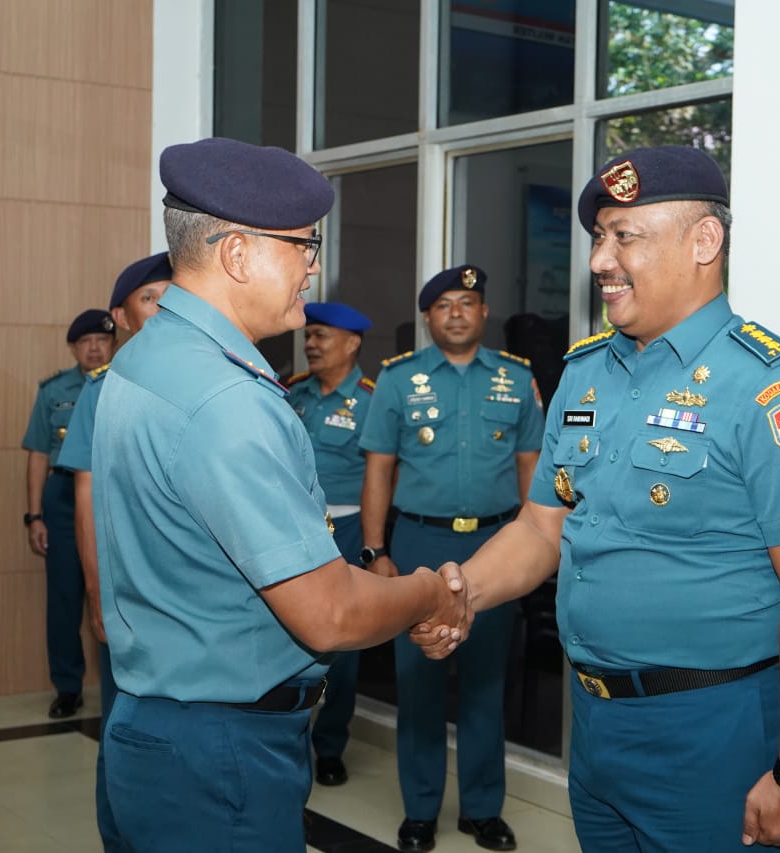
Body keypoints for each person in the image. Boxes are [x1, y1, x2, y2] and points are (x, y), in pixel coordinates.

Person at [410, 146, 780, 852]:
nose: (599, 261)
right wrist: (462, 593)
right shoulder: (584, 373)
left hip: (714, 729)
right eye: (597, 237)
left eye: (624, 237)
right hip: (594, 725)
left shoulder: (771, 388)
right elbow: (541, 527)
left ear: (704, 241)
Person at [90, 137, 469, 852]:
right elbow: (327, 613)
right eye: (303, 245)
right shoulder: (225, 397)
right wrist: (428, 594)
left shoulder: (147, 356)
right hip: (221, 753)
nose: (313, 266)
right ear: (238, 254)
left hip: (154, 728)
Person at [358, 265, 544, 852]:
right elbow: (379, 470)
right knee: (420, 681)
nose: (456, 313)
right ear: (427, 318)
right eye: (444, 305)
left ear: (484, 312)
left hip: (496, 544)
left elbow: (531, 470)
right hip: (420, 545)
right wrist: (376, 551)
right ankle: (420, 810)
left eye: (467, 302)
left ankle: (483, 810)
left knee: (487, 681)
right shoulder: (397, 379)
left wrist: (535, 545)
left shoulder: (517, 379)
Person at [56, 252, 173, 853]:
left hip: (192, 589)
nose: (165, 308)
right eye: (150, 299)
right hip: (130, 587)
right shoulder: (103, 392)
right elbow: (86, 498)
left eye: (172, 296)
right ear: (120, 317)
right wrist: (97, 594)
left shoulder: (212, 379)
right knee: (126, 723)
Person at [284, 301, 375, 787]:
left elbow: (383, 475)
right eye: (308, 336)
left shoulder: (371, 400)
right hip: (292, 527)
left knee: (343, 645)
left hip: (347, 529)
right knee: (291, 636)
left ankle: (331, 744)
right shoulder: (292, 391)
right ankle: (289, 740)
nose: (311, 345)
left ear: (352, 343)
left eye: (321, 336)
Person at [22, 308, 116, 719]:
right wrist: (34, 516)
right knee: (63, 597)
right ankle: (67, 687)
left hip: (110, 495)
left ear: (114, 345)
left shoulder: (126, 383)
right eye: (85, 342)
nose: (94, 348)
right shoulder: (53, 390)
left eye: (102, 340)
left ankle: (121, 685)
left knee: (113, 593)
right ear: (73, 348)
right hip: (62, 496)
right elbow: (37, 454)